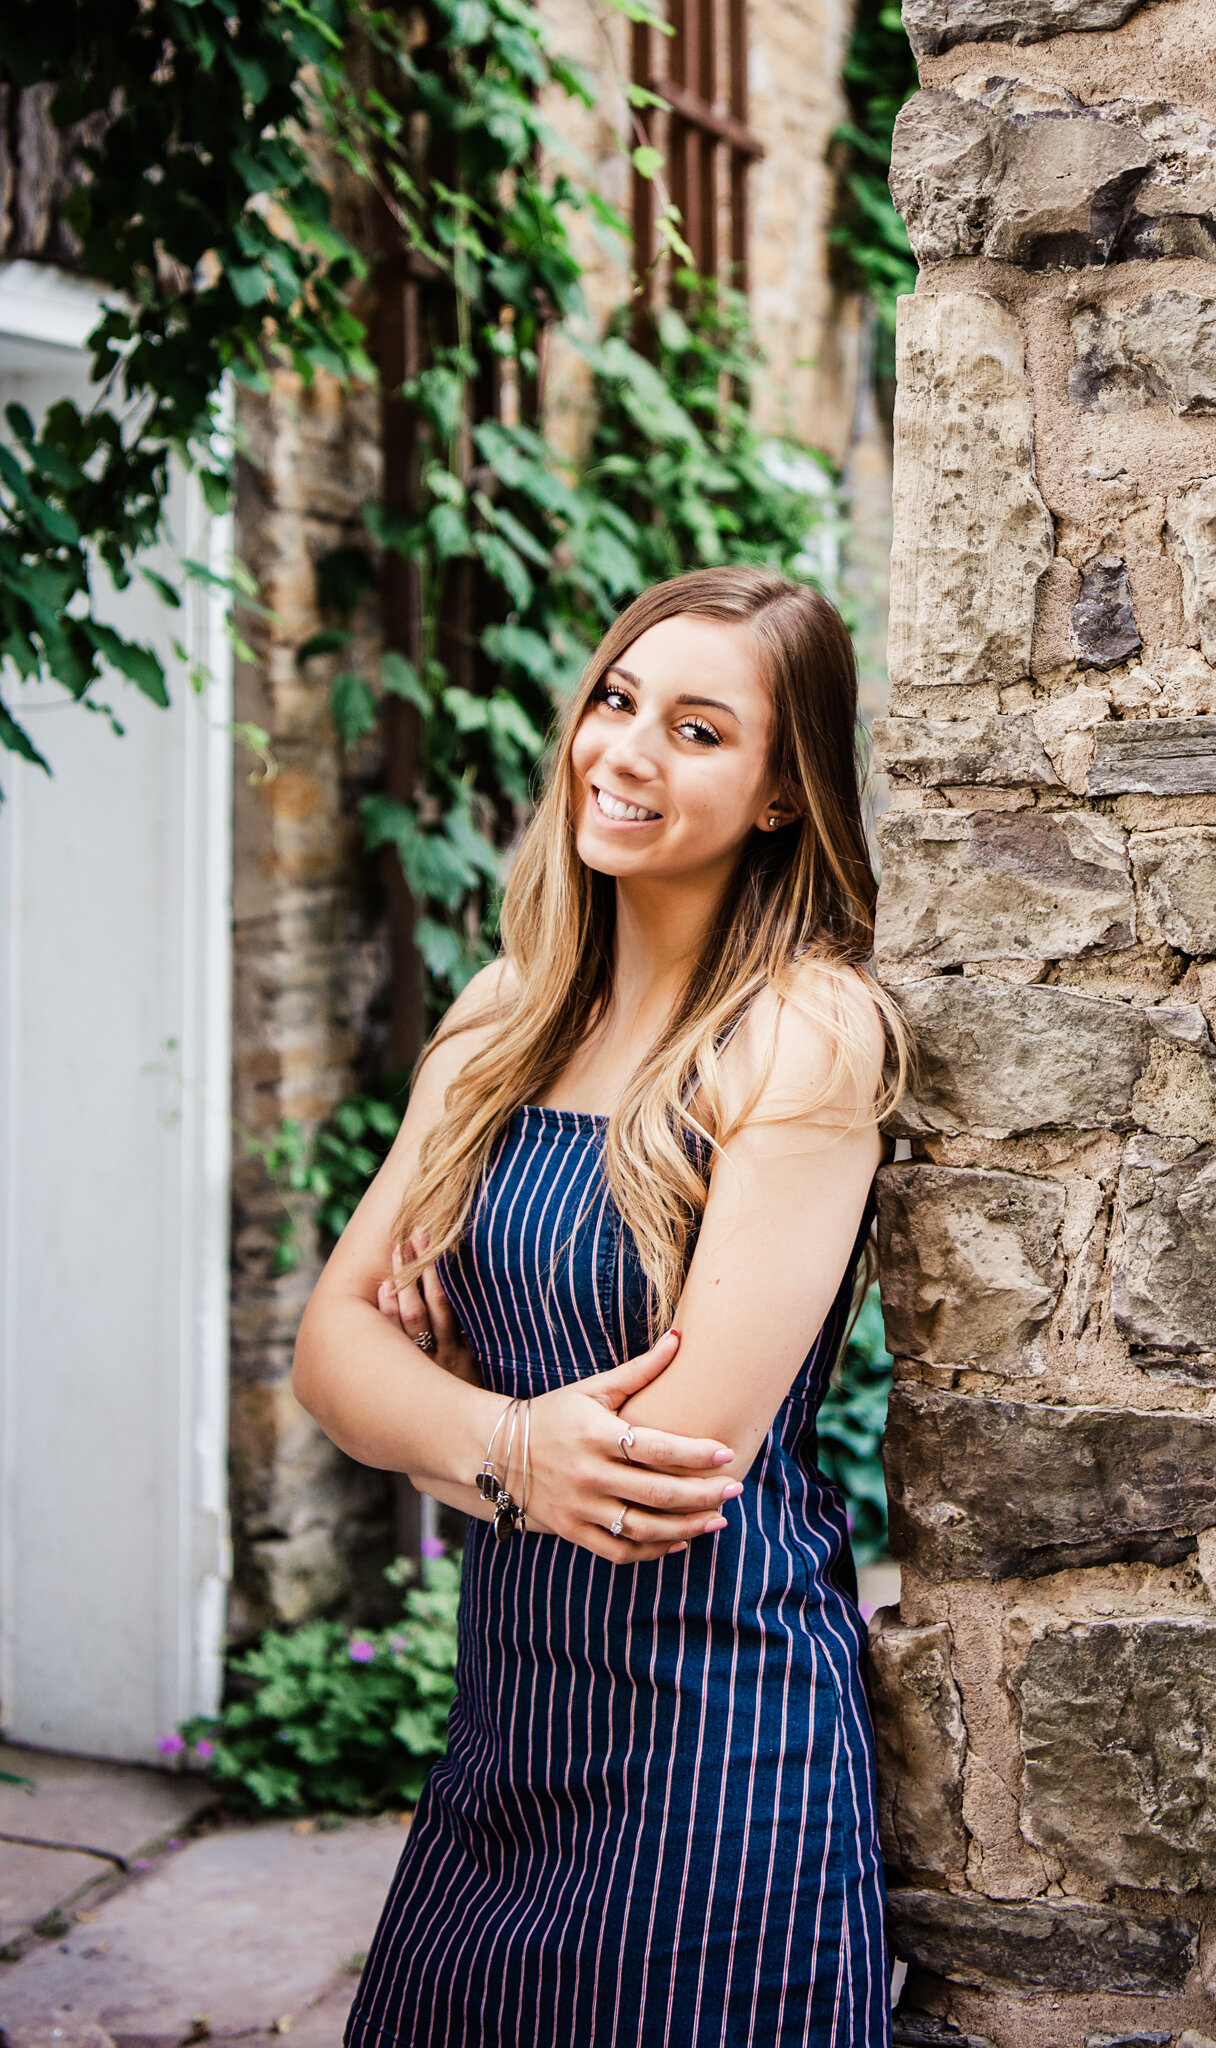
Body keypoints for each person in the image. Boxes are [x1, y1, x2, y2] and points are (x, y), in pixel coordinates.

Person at [294, 565, 909, 2048]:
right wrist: (508, 1448)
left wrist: (439, 1429)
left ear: (780, 793)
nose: (624, 753)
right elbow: (326, 1356)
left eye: (699, 731)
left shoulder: (802, 1037)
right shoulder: (503, 1016)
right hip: (506, 1732)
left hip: (716, 1759)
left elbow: (662, 1475)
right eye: (619, 702)